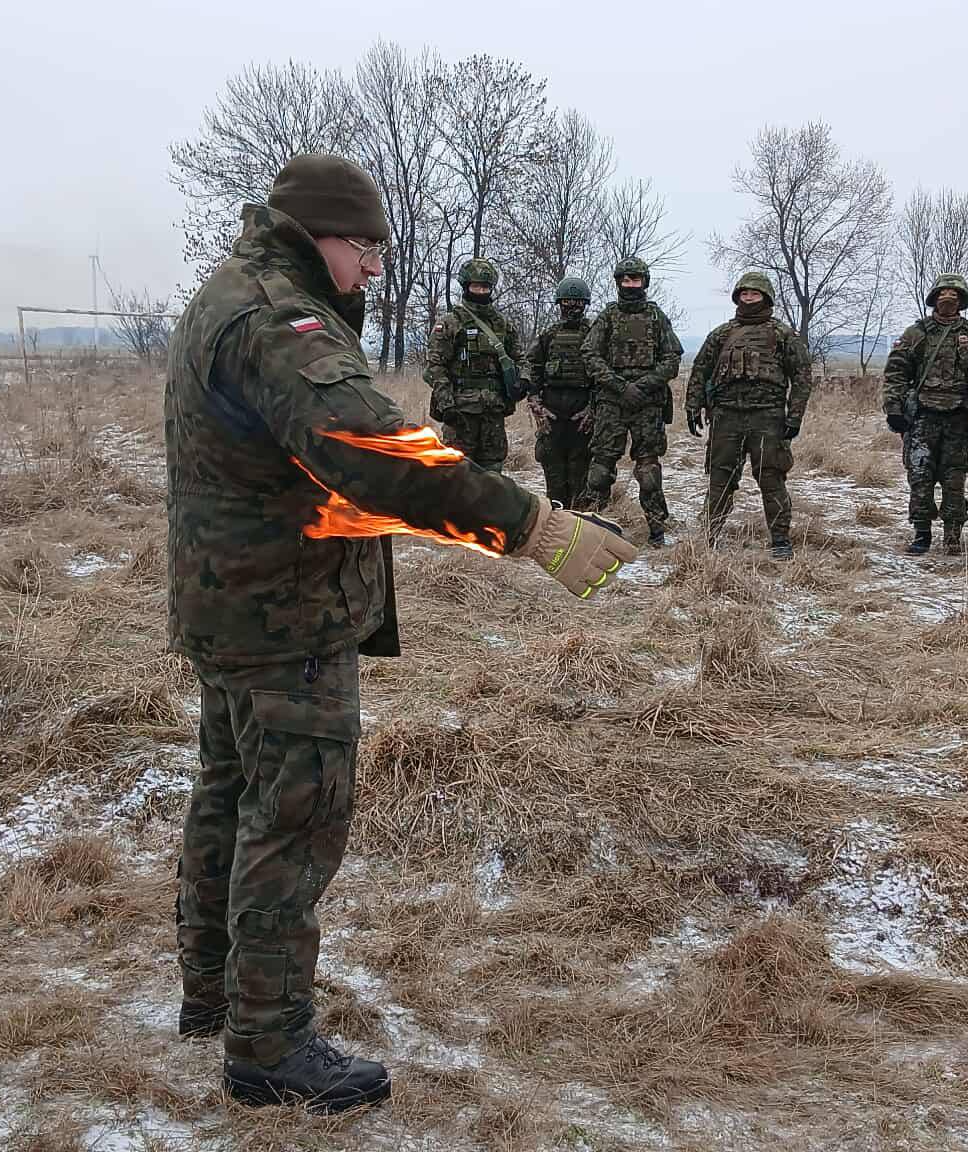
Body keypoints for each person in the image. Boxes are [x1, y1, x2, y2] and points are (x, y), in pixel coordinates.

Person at [165, 153, 636, 1115]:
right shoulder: (280, 321)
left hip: (233, 601)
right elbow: (382, 457)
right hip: (286, 613)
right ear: (315, 235)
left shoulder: (232, 293)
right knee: (293, 819)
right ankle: (268, 1045)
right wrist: (533, 527)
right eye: (363, 246)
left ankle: (217, 994)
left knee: (232, 792)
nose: (376, 266)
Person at [684, 271, 814, 558]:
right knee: (720, 479)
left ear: (766, 298)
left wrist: (794, 417)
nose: (749, 298)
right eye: (744, 294)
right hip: (726, 416)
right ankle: (708, 537)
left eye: (755, 294)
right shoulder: (722, 334)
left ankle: (780, 540)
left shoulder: (782, 334)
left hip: (767, 417)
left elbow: (802, 377)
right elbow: (700, 370)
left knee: (771, 479)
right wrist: (693, 405)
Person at [883, 273, 968, 555]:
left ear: (962, 300)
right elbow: (896, 373)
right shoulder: (916, 334)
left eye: (954, 294)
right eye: (943, 293)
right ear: (934, 298)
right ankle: (922, 534)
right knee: (920, 476)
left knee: (955, 479)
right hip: (922, 418)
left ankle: (953, 535)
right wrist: (894, 410)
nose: (948, 298)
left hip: (957, 420)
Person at [582, 257, 684, 546]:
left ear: (644, 282)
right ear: (618, 283)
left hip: (647, 405)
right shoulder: (608, 316)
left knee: (648, 471)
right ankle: (593, 528)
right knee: (600, 470)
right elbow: (590, 354)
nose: (630, 285)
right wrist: (620, 387)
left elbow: (671, 359)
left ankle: (657, 530)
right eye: (625, 280)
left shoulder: (656, 317)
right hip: (611, 403)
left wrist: (643, 386)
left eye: (635, 280)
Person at [424, 257, 521, 470]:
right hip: (460, 413)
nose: (481, 291)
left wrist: (521, 382)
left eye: (485, 287)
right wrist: (447, 405)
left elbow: (520, 359)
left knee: (493, 473)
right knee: (457, 474)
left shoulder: (502, 324)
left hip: (493, 413)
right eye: (476, 286)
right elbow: (435, 368)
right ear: (466, 286)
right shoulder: (451, 323)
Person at [526, 276, 598, 507]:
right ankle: (556, 519)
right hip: (552, 413)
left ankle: (579, 520)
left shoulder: (594, 336)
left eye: (578, 302)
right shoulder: (548, 336)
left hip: (582, 414)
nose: (572, 307)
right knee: (554, 475)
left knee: (580, 475)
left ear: (585, 305)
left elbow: (603, 376)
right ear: (559, 304)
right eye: (567, 302)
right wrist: (536, 405)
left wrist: (593, 409)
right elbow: (532, 370)